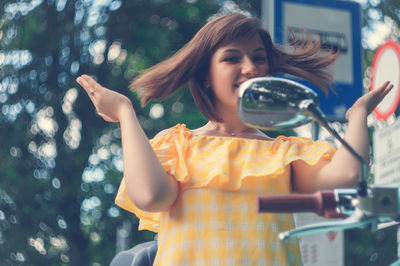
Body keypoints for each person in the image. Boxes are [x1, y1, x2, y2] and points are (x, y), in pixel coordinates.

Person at [77, 13, 392, 266]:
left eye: (259, 58)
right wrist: (125, 112)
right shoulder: (178, 144)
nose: (251, 68)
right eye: (232, 58)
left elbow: (348, 176)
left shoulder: (283, 151)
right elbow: (151, 196)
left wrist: (358, 116)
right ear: (205, 76)